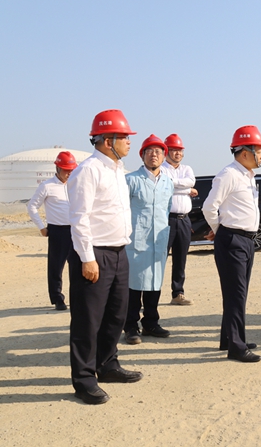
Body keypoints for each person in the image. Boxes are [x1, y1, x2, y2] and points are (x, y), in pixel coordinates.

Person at [67, 109, 143, 405]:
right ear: (107, 140)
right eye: (124, 137)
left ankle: (107, 364)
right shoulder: (88, 171)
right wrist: (87, 258)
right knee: (88, 320)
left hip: (118, 252)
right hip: (94, 253)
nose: (129, 142)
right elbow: (79, 218)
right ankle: (84, 380)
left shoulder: (117, 170)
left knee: (116, 314)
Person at [202, 125, 261, 362]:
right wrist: (219, 229)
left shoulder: (247, 176)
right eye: (259, 151)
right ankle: (236, 347)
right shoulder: (228, 175)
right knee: (236, 294)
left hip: (247, 241)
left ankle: (230, 338)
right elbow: (209, 207)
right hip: (232, 240)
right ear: (245, 153)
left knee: (238, 293)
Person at [123, 135, 174, 345]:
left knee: (155, 282)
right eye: (149, 151)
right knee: (134, 285)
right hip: (136, 241)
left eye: (158, 151)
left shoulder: (168, 182)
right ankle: (130, 326)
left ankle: (151, 323)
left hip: (158, 240)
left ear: (164, 156)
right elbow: (122, 210)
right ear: (142, 155)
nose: (154, 155)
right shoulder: (131, 180)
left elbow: (167, 209)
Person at [27, 151, 78, 311]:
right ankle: (57, 298)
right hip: (58, 231)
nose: (69, 173)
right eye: (66, 170)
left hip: (75, 229)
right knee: (56, 267)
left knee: (77, 266)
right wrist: (41, 227)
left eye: (71, 170)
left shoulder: (75, 184)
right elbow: (32, 206)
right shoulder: (47, 186)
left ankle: (77, 298)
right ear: (58, 168)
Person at [162, 133, 197, 306]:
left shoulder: (187, 169)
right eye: (174, 150)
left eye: (180, 150)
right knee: (159, 258)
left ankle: (178, 293)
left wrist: (177, 185)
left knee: (180, 259)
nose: (178, 153)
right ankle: (151, 295)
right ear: (166, 151)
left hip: (184, 220)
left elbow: (190, 181)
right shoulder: (161, 169)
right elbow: (165, 185)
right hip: (166, 220)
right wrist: (187, 190)